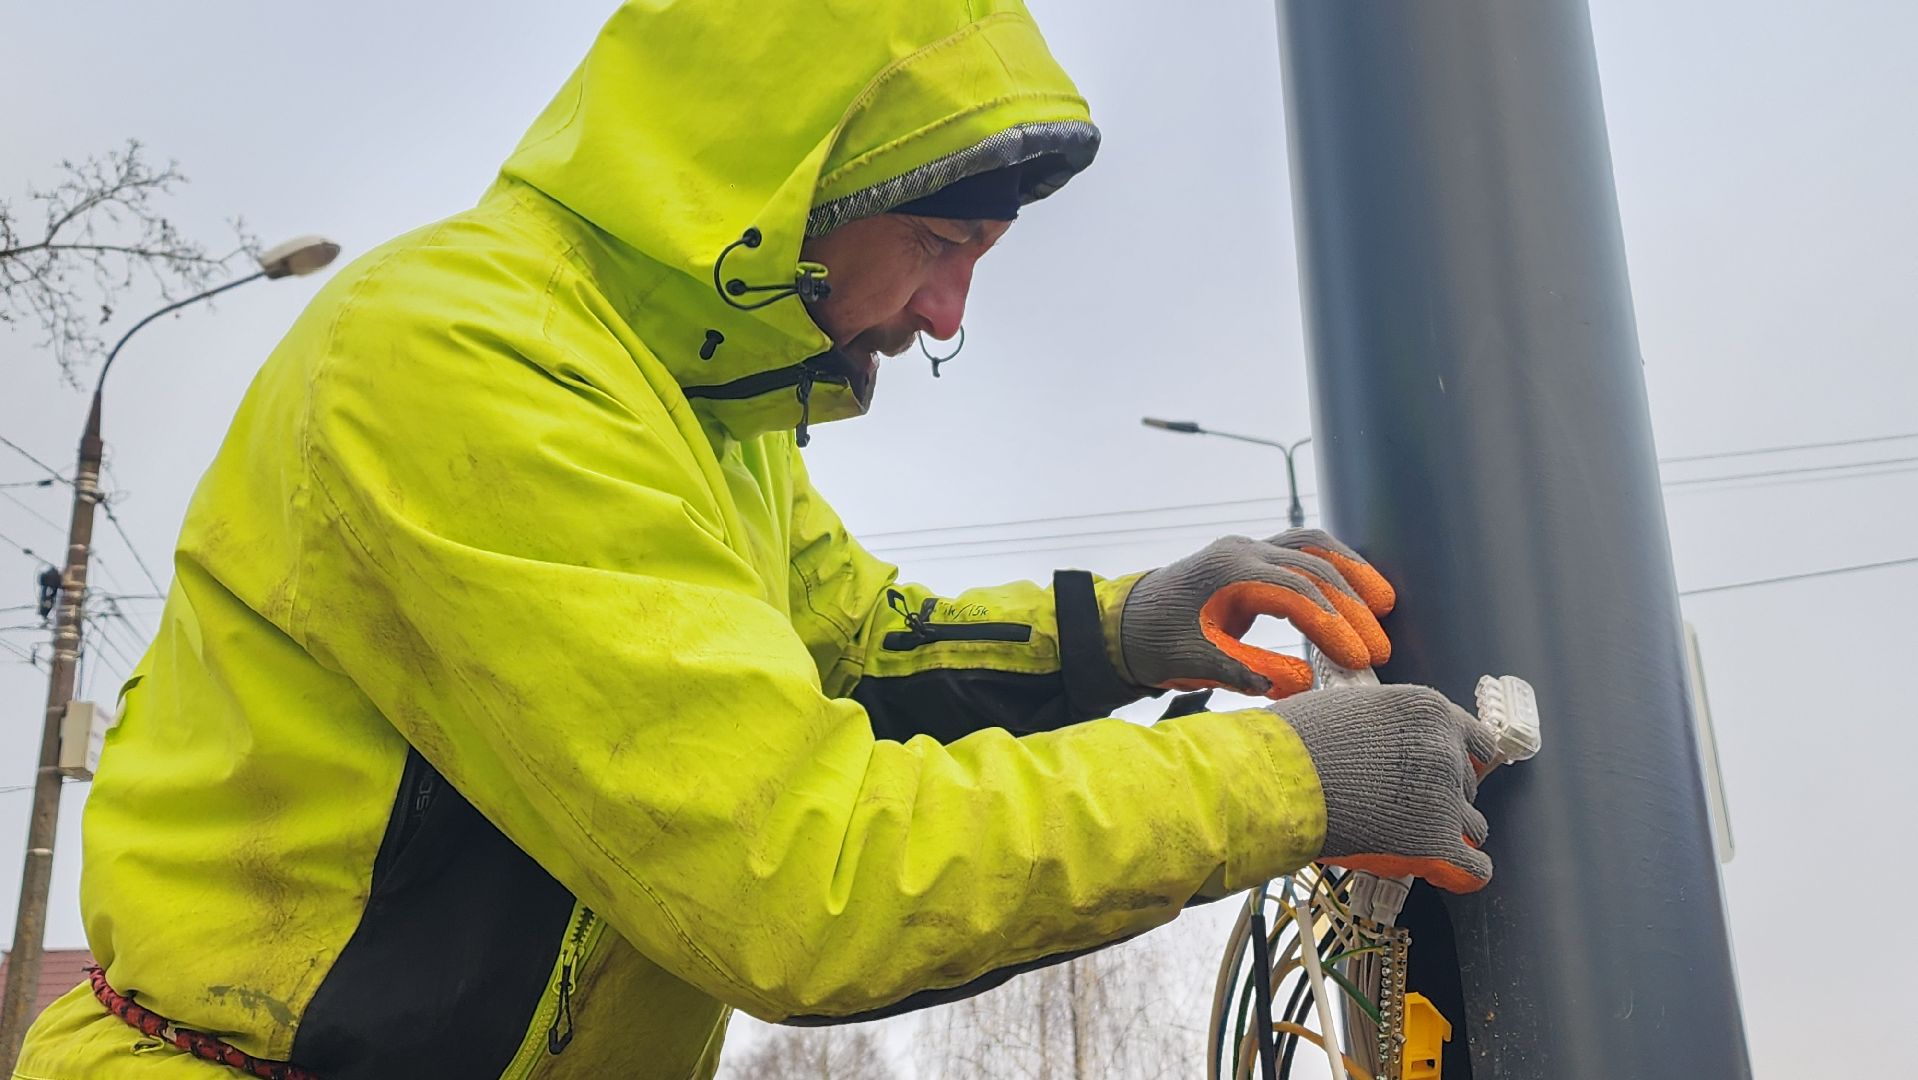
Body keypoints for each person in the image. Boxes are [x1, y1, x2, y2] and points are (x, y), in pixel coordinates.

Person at [16, 2, 1496, 1078]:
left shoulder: (701, 412)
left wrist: (1121, 628)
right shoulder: (467, 363)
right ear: (780, 191)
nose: (946, 316)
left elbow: (854, 644)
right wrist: (1286, 783)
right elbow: (799, 881)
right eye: (940, 248)